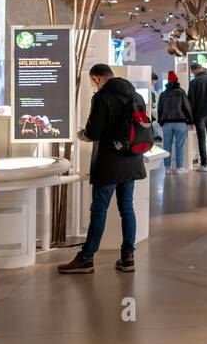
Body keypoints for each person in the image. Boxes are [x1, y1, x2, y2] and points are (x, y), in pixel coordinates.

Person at [59, 64, 147, 275]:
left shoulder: (101, 98)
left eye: (92, 81)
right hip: (132, 159)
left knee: (99, 210)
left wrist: (81, 134)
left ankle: (86, 258)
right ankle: (128, 256)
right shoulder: (135, 95)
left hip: (109, 162)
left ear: (97, 78)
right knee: (127, 207)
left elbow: (94, 132)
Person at [157, 70, 193, 174]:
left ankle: (167, 168)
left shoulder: (163, 94)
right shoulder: (181, 92)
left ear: (168, 82)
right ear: (177, 81)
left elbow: (160, 109)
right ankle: (179, 167)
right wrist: (190, 121)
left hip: (167, 123)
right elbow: (187, 107)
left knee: (166, 145)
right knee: (179, 145)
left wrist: (161, 121)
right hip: (180, 122)